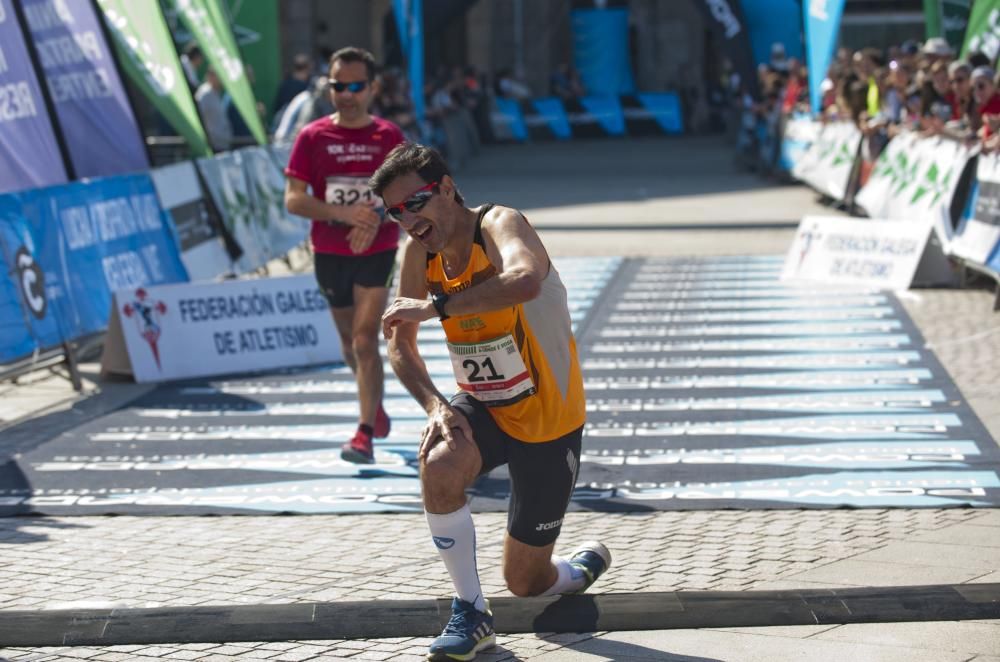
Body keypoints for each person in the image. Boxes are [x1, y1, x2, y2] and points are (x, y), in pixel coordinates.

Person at [371, 142, 611, 661]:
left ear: (449, 188)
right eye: (395, 212)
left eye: (415, 202)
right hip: (484, 406)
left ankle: (577, 569)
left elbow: (523, 280)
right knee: (439, 462)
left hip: (550, 420)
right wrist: (437, 406)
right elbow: (398, 342)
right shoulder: (418, 252)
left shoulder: (500, 223)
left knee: (526, 580)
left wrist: (438, 306)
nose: (407, 220)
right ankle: (472, 612)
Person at [284, 47, 406, 463]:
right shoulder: (313, 136)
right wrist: (343, 214)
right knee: (347, 345)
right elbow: (293, 200)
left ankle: (364, 433)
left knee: (364, 339)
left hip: (377, 249)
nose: (346, 94)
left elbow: (407, 194)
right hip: (329, 251)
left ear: (372, 88)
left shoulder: (389, 136)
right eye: (338, 86)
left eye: (356, 86)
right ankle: (373, 403)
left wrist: (371, 218)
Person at [195, 68, 233, 152]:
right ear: (211, 76)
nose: (222, 79)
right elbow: (197, 117)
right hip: (213, 146)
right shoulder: (204, 94)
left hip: (223, 144)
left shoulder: (216, 92)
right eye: (219, 76)